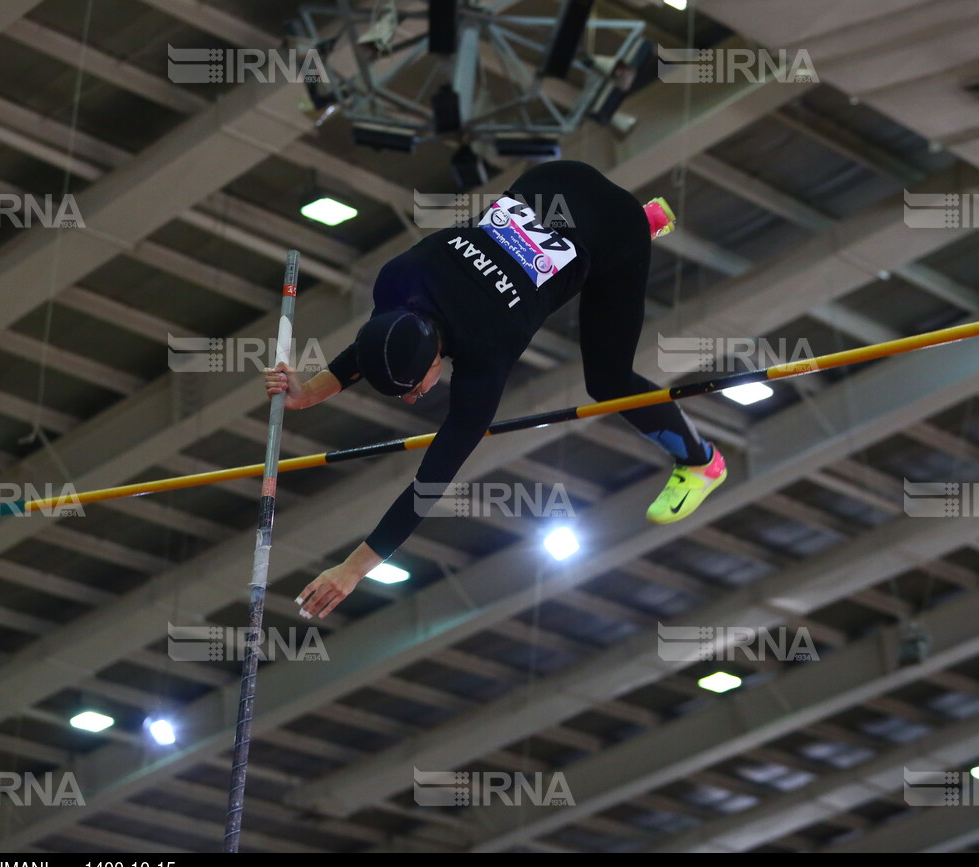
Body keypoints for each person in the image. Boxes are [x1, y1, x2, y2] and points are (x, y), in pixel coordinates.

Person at [265, 160, 726, 620]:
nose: (413, 397)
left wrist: (352, 570)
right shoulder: (400, 279)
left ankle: (701, 462)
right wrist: (306, 394)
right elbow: (374, 346)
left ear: (431, 361)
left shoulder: (487, 354)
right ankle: (621, 222)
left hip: (613, 232)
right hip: (556, 178)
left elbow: (431, 481)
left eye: (412, 389)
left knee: (608, 382)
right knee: (559, 261)